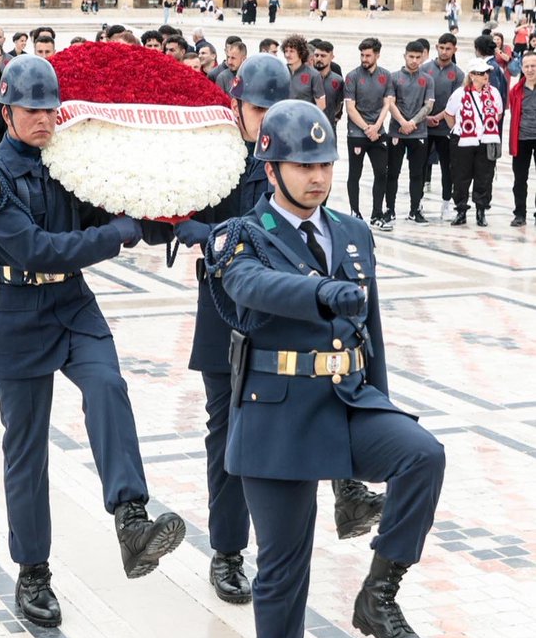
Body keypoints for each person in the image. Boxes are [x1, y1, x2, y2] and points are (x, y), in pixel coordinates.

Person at [205, 100, 444, 638]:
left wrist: (383, 403)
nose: (317, 175)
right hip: (275, 412)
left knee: (421, 454)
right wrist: (319, 294)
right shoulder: (238, 235)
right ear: (271, 164)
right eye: (304, 163)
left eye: (325, 162)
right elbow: (253, 290)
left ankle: (380, 595)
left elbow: (373, 333)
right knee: (283, 569)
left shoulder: (350, 231)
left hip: (345, 399)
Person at [0, 56, 186, 628]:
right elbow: (36, 248)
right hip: (18, 313)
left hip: (71, 304)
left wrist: (172, 216)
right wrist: (114, 236)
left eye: (49, 109)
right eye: (32, 110)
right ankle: (33, 571)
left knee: (108, 383)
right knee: (26, 450)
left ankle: (132, 518)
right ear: (8, 108)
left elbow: (115, 203)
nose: (43, 120)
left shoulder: (71, 162)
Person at [176, 56, 382, 607]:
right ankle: (227, 552)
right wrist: (222, 238)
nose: (265, 117)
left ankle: (348, 487)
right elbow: (177, 217)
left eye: (274, 106)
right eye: (256, 108)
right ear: (237, 106)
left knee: (333, 395)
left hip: (301, 323)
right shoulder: (211, 158)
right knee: (227, 438)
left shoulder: (294, 150)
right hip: (229, 321)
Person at [445, 59, 503, 226]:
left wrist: (485, 129)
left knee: (484, 176)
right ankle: (461, 210)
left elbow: (497, 114)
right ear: (472, 76)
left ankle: (481, 210)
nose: (486, 76)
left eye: (487, 72)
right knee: (461, 176)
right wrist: (461, 129)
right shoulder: (460, 93)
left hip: (485, 140)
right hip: (463, 141)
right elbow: (449, 115)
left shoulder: (494, 93)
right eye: (482, 73)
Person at [344, 38, 395, 227]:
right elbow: (350, 108)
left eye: (368, 55)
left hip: (378, 132)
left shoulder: (386, 76)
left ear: (377, 55)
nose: (364, 59)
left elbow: (387, 103)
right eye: (362, 55)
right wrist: (366, 128)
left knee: (381, 173)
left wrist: (377, 126)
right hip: (357, 133)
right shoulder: (352, 76)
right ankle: (355, 212)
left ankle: (377, 214)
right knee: (354, 174)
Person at [385, 41, 434, 225]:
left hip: (418, 132)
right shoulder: (394, 77)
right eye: (411, 57)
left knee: (417, 174)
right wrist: (403, 122)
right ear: (404, 56)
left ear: (423, 57)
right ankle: (389, 209)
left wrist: (412, 122)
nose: (414, 60)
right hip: (396, 131)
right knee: (393, 173)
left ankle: (415, 210)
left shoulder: (428, 79)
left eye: (417, 57)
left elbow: (429, 105)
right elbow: (390, 102)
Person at [421, 35, 464, 221]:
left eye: (448, 48)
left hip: (445, 128)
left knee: (448, 168)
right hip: (423, 127)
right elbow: (419, 94)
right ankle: (418, 204)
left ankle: (446, 204)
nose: (444, 51)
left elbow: (455, 101)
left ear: (454, 49)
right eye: (442, 48)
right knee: (420, 167)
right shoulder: (425, 69)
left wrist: (438, 117)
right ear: (436, 47)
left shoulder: (458, 74)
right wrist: (425, 117)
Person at [508, 50, 536, 226]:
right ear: (522, 68)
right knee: (520, 179)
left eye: (534, 66)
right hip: (522, 139)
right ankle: (520, 214)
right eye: (527, 66)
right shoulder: (516, 91)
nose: (531, 69)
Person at [281, 35, 326, 108]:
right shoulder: (280, 72)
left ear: (301, 53)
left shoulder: (314, 75)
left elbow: (321, 105)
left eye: (292, 51)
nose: (287, 55)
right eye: (286, 51)